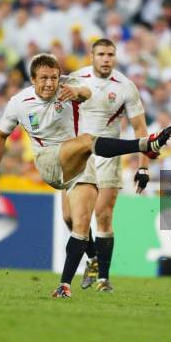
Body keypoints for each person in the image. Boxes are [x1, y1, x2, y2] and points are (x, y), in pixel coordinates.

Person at [0, 53, 171, 298]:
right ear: (32, 79)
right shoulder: (19, 102)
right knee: (86, 141)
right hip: (49, 161)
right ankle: (145, 144)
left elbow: (86, 92)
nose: (50, 84)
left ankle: (65, 284)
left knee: (79, 224)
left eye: (53, 78)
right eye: (43, 78)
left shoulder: (68, 88)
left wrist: (77, 93)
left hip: (79, 162)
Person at [59, 38, 151, 293]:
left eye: (110, 54)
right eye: (101, 54)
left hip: (108, 155)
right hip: (78, 153)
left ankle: (103, 280)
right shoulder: (77, 78)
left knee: (103, 215)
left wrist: (143, 167)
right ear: (92, 56)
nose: (106, 58)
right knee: (69, 217)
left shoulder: (125, 87)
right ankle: (93, 258)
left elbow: (140, 128)